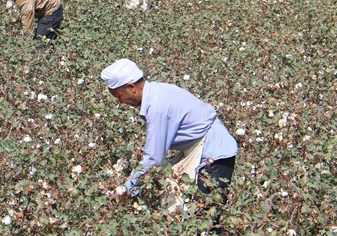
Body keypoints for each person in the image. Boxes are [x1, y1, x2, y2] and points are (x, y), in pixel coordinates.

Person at [101, 58, 238, 211]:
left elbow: (153, 158)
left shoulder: (158, 107)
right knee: (182, 205)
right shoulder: (158, 91)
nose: (120, 102)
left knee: (202, 216)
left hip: (214, 154)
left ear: (131, 87)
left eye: (118, 96)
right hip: (204, 148)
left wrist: (126, 189)